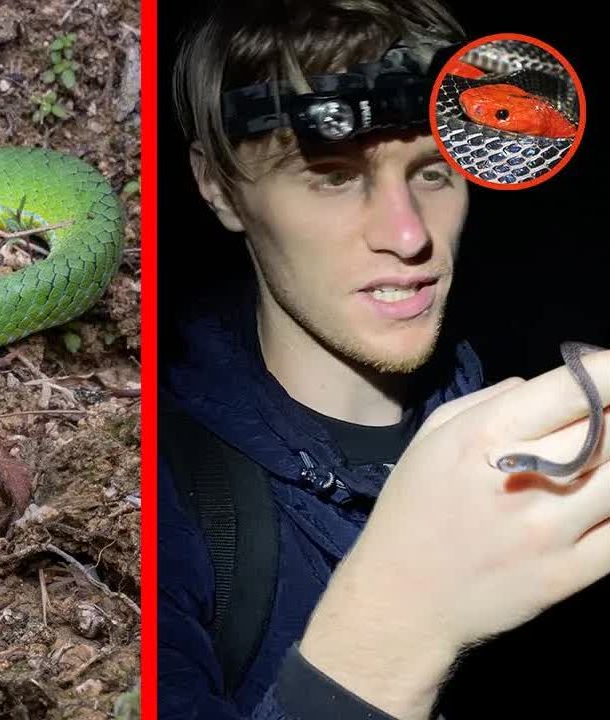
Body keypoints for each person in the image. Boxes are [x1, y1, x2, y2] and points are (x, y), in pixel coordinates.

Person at [158, 2, 610, 719]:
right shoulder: (162, 508)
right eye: (333, 177)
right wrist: (386, 641)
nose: (407, 236)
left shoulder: (535, 417)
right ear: (218, 186)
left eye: (433, 171)